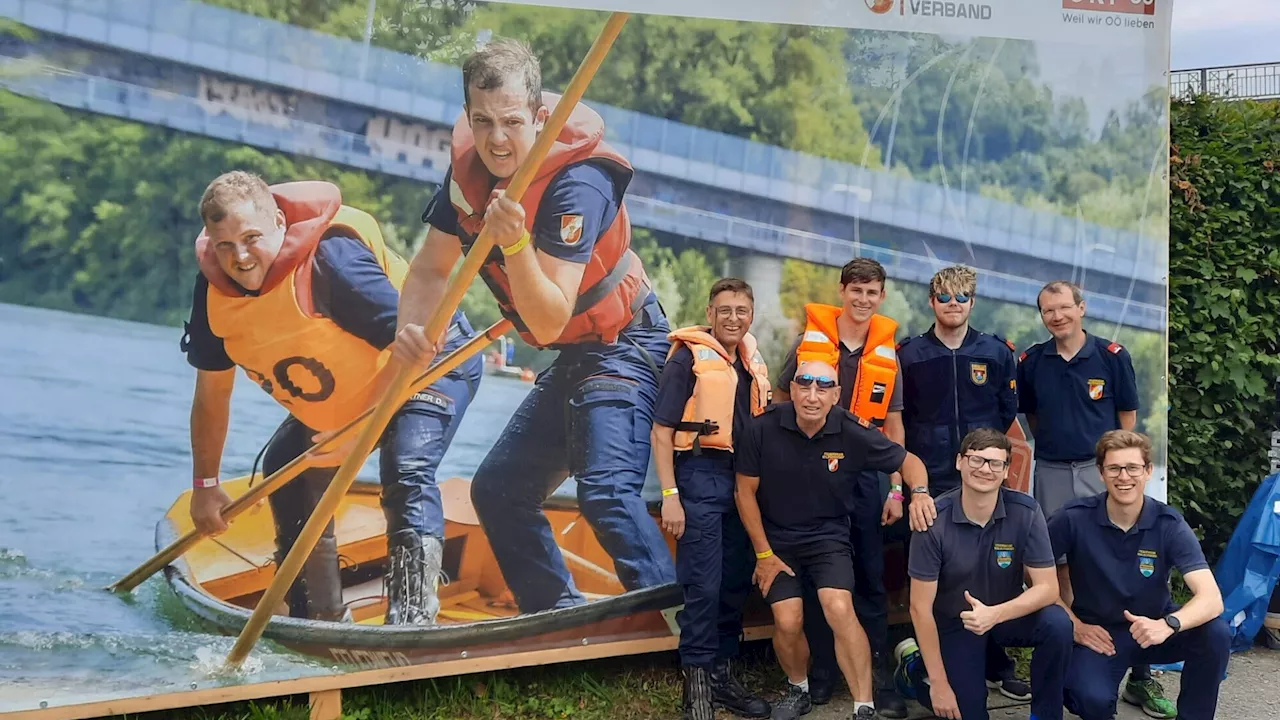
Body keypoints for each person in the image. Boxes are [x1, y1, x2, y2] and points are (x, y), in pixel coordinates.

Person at [392, 37, 675, 614]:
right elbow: (429, 268)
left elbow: (546, 321)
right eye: (483, 121)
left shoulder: (579, 183)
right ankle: (556, 618)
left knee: (607, 495)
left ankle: (683, 633)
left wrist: (515, 242)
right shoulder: (464, 177)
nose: (497, 139)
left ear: (541, 116)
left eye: (513, 122)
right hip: (576, 355)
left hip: (627, 345)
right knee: (496, 491)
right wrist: (413, 330)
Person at [181, 171, 481, 625]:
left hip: (433, 358)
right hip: (355, 382)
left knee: (405, 465)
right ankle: (316, 621)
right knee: (287, 467)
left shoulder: (332, 263)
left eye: (251, 238)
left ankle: (412, 618)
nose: (240, 258)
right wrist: (205, 486)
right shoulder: (213, 289)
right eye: (224, 245)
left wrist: (357, 431)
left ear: (280, 223)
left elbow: (414, 349)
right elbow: (211, 393)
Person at [773, 257, 935, 716]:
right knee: (815, 577)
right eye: (856, 290)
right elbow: (782, 404)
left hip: (865, 478)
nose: (863, 300)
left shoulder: (889, 355)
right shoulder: (809, 344)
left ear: (881, 297)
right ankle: (822, 673)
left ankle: (879, 678)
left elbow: (897, 428)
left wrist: (898, 489)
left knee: (867, 577)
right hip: (811, 477)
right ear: (841, 291)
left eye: (872, 293)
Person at [735, 359, 930, 720]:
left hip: (828, 537)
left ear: (836, 395)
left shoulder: (852, 430)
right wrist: (763, 554)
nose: (812, 396)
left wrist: (915, 493)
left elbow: (909, 462)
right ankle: (798, 688)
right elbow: (744, 493)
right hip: (776, 541)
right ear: (791, 389)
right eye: (804, 386)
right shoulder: (761, 429)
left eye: (823, 387)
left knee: (839, 609)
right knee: (788, 618)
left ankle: (864, 705)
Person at [1017, 280, 1166, 716]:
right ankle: (1073, 641)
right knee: (1057, 561)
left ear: (1081, 309)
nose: (1057, 316)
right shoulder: (1031, 362)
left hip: (1102, 470)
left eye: (1064, 308)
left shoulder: (1112, 357)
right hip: (1053, 470)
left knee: (1123, 558)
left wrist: (1110, 467)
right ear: (1042, 316)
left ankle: (1140, 675)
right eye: (1048, 311)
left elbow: (1127, 421)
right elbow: (1033, 418)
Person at [896, 265, 1026, 701]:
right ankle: (928, 661)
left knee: (989, 573)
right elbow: (900, 421)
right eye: (945, 297)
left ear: (973, 301)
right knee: (935, 577)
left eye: (962, 297)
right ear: (931, 301)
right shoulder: (909, 354)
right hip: (929, 480)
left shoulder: (996, 351)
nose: (953, 305)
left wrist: (987, 462)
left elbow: (1007, 412)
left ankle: (995, 662)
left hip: (984, 479)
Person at [651, 277, 772, 720]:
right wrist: (670, 496)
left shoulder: (750, 361)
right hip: (700, 476)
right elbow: (662, 433)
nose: (733, 319)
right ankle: (697, 687)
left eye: (741, 311)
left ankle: (722, 677)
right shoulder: (687, 358)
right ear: (710, 314)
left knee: (735, 582)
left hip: (743, 483)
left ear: (751, 314)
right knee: (703, 586)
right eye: (725, 310)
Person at [1049, 430, 1230, 720]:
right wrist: (1076, 625)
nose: (1124, 477)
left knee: (1216, 633)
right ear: (1100, 472)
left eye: (1133, 467)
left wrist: (1169, 624)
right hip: (1100, 633)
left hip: (1155, 628)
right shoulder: (1072, 517)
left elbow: (1211, 599)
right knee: (1089, 698)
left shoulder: (1168, 523)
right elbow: (1035, 578)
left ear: (1147, 472)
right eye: (1114, 468)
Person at [906, 428, 1072, 720]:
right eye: (977, 460)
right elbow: (919, 608)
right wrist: (940, 685)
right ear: (959, 462)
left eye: (996, 463)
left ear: (1007, 470)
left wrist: (995, 614)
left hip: (1006, 615)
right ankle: (916, 671)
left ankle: (1045, 714)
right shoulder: (933, 519)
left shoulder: (1026, 511)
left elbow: (1048, 588)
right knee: (961, 710)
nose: (985, 469)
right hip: (956, 624)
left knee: (1057, 624)